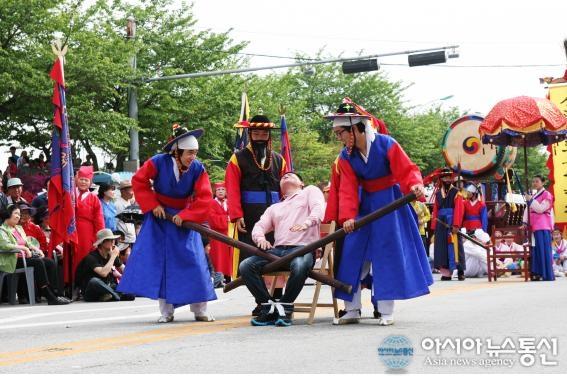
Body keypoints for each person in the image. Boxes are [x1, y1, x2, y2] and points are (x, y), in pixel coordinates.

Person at [324, 102, 433, 326]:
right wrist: (349, 217)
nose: (340, 138)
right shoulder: (346, 157)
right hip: (364, 205)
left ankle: (386, 311)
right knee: (353, 254)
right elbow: (348, 189)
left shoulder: (387, 144)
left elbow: (408, 170)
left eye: (340, 133)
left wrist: (415, 185)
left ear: (356, 128)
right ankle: (351, 309)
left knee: (387, 255)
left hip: (390, 203)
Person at [117, 124, 216, 323]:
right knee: (164, 265)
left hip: (185, 220)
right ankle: (166, 312)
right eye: (189, 153)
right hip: (161, 218)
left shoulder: (198, 168)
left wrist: (188, 214)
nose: (193, 157)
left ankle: (200, 310)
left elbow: (205, 196)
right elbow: (139, 181)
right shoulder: (157, 162)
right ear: (177, 152)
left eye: (195, 152)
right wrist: (153, 204)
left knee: (195, 262)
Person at [241, 172, 324, 326]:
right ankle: (267, 306)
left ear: (301, 183)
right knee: (246, 265)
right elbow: (259, 226)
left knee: (299, 265)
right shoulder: (275, 207)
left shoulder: (310, 191)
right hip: (277, 252)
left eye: (291, 175)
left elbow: (319, 209)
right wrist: (261, 239)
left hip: (303, 248)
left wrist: (307, 223)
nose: (286, 176)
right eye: (283, 177)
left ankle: (285, 306)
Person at [225, 114, 287, 315]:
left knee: (278, 257)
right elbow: (232, 188)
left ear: (269, 136)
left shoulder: (279, 159)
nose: (260, 137)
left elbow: (287, 189)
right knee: (252, 258)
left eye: (264, 133)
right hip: (250, 217)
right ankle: (262, 301)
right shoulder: (238, 158)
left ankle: (278, 298)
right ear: (250, 134)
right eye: (256, 133)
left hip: (277, 217)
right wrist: (236, 215)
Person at [0, 204, 69, 305]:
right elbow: (5, 245)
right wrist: (24, 249)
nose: (18, 216)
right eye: (16, 213)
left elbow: (28, 242)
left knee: (49, 262)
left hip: (24, 258)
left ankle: (56, 293)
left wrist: (37, 249)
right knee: (38, 262)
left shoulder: (18, 228)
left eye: (19, 214)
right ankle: (48, 295)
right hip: (12, 260)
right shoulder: (2, 230)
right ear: (8, 214)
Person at [75, 228, 134, 302]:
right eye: (110, 240)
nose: (114, 242)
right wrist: (113, 256)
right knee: (94, 281)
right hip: (91, 290)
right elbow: (103, 273)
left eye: (114, 240)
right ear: (102, 242)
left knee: (131, 295)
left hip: (108, 286)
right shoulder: (91, 257)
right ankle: (116, 296)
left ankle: (110, 296)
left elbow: (125, 270)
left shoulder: (111, 254)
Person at [431, 169, 466, 281]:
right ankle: (446, 273)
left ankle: (460, 271)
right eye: (445, 178)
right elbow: (435, 210)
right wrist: (434, 225)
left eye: (449, 177)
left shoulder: (456, 192)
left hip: (452, 221)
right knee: (442, 247)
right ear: (441, 179)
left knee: (456, 246)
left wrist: (456, 224)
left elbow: (459, 209)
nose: (447, 179)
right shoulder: (437, 194)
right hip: (441, 223)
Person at [74, 166, 105, 281]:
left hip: (87, 233)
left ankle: (83, 284)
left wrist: (99, 239)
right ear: (77, 180)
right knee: (71, 258)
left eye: (86, 180)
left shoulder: (94, 198)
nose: (83, 182)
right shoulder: (70, 195)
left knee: (84, 258)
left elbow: (99, 220)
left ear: (90, 182)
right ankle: (70, 285)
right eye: (81, 179)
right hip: (71, 230)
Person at [524, 175, 555, 281]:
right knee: (536, 250)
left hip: (543, 225)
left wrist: (531, 200)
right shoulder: (535, 195)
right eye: (533, 181)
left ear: (543, 182)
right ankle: (538, 272)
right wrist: (524, 222)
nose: (535, 183)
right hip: (534, 226)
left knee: (543, 250)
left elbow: (541, 209)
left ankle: (546, 274)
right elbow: (528, 209)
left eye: (537, 181)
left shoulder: (547, 195)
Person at [208, 182, 233, 281]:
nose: (220, 191)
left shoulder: (230, 203)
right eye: (218, 190)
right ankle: (219, 277)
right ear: (215, 192)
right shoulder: (211, 203)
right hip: (216, 235)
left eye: (223, 189)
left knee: (228, 256)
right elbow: (212, 218)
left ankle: (228, 276)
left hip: (229, 233)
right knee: (218, 257)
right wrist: (227, 218)